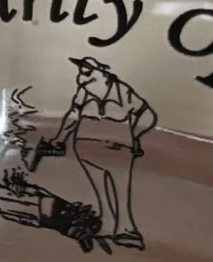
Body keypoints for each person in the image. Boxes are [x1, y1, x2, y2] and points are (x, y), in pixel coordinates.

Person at [44, 57, 156, 251]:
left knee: (120, 190)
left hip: (118, 148)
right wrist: (60, 139)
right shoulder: (84, 92)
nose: (82, 76)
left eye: (87, 71)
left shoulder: (123, 92)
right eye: (82, 71)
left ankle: (126, 230)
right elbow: (72, 117)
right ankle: (106, 225)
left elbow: (147, 115)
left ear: (102, 72)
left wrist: (134, 136)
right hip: (86, 147)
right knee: (100, 190)